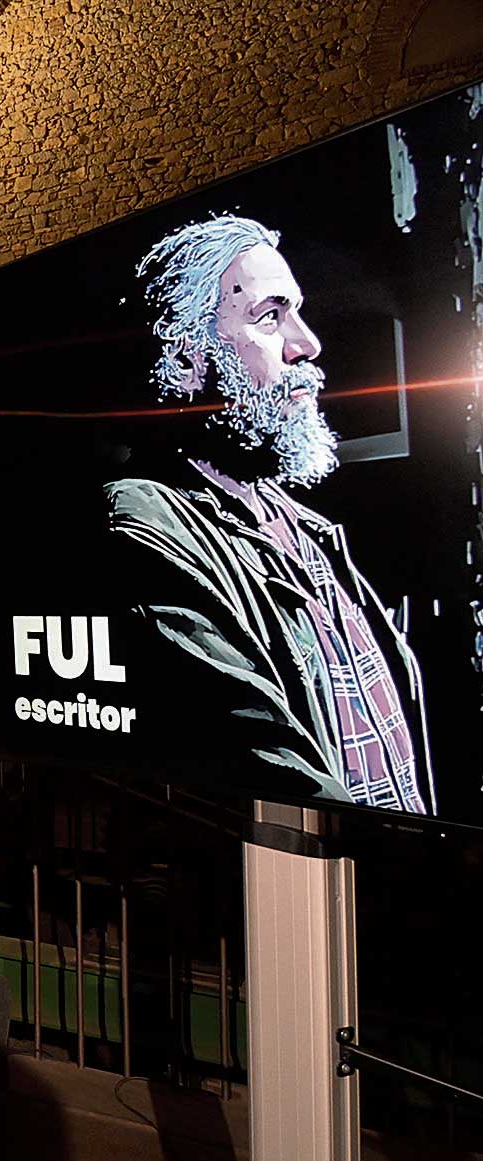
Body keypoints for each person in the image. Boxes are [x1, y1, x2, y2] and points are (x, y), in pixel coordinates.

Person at [106, 214, 433, 812]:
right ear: (186, 357)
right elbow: (271, 769)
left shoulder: (304, 526)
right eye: (269, 316)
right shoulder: (145, 526)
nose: (308, 344)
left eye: (297, 313)